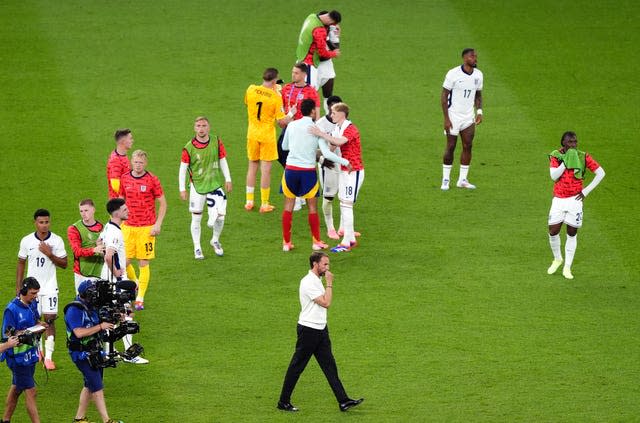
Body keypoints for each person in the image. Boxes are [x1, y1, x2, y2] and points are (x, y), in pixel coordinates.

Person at [277, 252, 363, 413]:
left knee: (329, 366)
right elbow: (326, 303)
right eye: (325, 264)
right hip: (309, 330)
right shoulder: (308, 282)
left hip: (321, 329)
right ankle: (283, 401)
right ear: (315, 264)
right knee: (297, 366)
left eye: (328, 264)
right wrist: (330, 284)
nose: (327, 268)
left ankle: (343, 401)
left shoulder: (317, 280)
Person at [281, 99, 349, 252]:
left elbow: (284, 146)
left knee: (288, 206)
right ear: (312, 111)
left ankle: (286, 243)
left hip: (291, 170)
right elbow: (325, 153)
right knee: (312, 208)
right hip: (307, 172)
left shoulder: (291, 125)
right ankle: (316, 242)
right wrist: (344, 160)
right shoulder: (316, 128)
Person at [547, 131, 605, 279]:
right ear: (563, 143)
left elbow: (601, 173)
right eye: (570, 142)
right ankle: (557, 259)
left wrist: (585, 192)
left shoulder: (583, 156)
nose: (573, 145)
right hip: (559, 199)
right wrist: (566, 162)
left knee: (571, 233)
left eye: (575, 142)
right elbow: (553, 176)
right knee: (553, 231)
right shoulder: (556, 156)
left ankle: (567, 267)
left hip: (575, 200)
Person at [64, 280, 123, 423]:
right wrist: (101, 326)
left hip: (94, 350)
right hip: (81, 353)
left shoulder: (92, 306)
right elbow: (78, 333)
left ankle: (79, 418)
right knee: (97, 386)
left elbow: (103, 319)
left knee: (89, 384)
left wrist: (116, 316)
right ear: (85, 295)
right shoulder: (74, 310)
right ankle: (107, 420)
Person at [310, 102, 364, 252]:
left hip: (353, 171)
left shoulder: (350, 129)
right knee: (344, 204)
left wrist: (320, 134)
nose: (331, 115)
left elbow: (339, 142)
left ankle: (346, 242)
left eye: (333, 113)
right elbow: (331, 148)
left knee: (346, 205)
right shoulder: (337, 128)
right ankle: (350, 239)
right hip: (344, 170)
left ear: (341, 114)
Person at [17, 209, 67, 370]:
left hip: (51, 286)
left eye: (47, 222)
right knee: (34, 321)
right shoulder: (26, 241)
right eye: (41, 222)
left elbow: (64, 264)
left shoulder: (57, 241)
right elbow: (21, 263)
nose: (44, 225)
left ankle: (49, 357)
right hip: (32, 289)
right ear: (35, 223)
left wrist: (50, 254)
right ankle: (39, 351)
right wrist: (19, 286)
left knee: (50, 320)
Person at [100, 198, 147, 364]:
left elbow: (100, 244)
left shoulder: (108, 227)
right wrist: (117, 273)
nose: (128, 211)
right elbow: (108, 255)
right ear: (117, 213)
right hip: (115, 281)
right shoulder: (115, 232)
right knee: (126, 315)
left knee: (110, 315)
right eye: (125, 209)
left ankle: (107, 353)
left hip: (107, 278)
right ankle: (129, 355)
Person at [179, 116, 232, 259]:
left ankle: (215, 240)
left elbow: (222, 160)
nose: (201, 129)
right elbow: (183, 169)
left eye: (204, 126)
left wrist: (228, 178)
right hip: (198, 186)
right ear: (194, 128)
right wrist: (182, 188)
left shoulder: (216, 141)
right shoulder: (188, 147)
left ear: (209, 127)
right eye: (198, 126)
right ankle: (197, 247)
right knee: (196, 218)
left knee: (221, 216)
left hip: (215, 184)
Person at [120, 150, 167, 311]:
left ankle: (140, 298)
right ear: (131, 162)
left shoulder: (152, 179)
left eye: (141, 162)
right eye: (136, 162)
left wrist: (158, 224)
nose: (138, 165)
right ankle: (136, 284)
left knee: (143, 262)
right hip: (127, 227)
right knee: (124, 262)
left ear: (145, 163)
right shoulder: (124, 178)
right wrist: (117, 222)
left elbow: (163, 203)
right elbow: (120, 200)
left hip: (146, 228)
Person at [244, 68, 294, 213]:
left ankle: (249, 201)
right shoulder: (275, 97)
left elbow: (248, 104)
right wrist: (292, 112)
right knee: (266, 170)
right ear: (274, 81)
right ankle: (264, 203)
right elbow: (282, 121)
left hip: (252, 133)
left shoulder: (251, 89)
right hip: (267, 136)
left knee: (252, 167)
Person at [1, 277, 47, 423]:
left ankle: (5, 420)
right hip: (17, 357)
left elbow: (36, 321)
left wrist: (41, 325)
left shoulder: (32, 304)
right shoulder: (11, 310)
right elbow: (8, 335)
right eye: (33, 293)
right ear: (24, 291)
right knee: (31, 391)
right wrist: (26, 332)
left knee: (17, 388)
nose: (35, 296)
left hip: (29, 354)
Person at [440, 48, 484, 190]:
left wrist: (479, 112)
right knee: (451, 146)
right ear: (465, 58)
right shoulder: (453, 74)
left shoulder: (478, 75)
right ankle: (445, 179)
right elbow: (443, 96)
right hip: (453, 115)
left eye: (476, 56)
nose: (475, 58)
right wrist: (446, 118)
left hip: (468, 116)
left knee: (468, 145)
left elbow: (478, 95)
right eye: (472, 56)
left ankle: (462, 180)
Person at [277, 63, 321, 170]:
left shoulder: (311, 92)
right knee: (280, 151)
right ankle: (290, 171)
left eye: (296, 73)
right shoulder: (286, 88)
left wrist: (316, 129)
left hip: (303, 129)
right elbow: (279, 106)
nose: (293, 75)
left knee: (299, 155)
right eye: (293, 72)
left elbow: (317, 113)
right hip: (288, 126)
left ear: (304, 75)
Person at [295, 10, 342, 91]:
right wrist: (334, 54)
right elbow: (322, 53)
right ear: (330, 20)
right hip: (308, 64)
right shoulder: (319, 30)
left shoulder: (311, 16)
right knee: (308, 94)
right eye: (331, 24)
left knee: (301, 92)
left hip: (300, 58)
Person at [67, 199, 105, 293]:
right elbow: (76, 252)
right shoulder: (74, 229)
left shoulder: (102, 227)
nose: (83, 213)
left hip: (100, 273)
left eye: (86, 210)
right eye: (81, 211)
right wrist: (94, 250)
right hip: (82, 275)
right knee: (83, 304)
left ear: (93, 210)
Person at [106, 129, 134, 198]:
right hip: (118, 204)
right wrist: (130, 193)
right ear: (123, 141)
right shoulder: (115, 160)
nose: (132, 141)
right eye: (130, 138)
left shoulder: (122, 155)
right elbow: (115, 184)